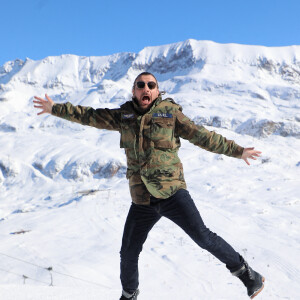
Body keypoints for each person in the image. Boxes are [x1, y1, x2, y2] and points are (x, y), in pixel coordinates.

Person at [34, 72, 265, 299]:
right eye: (141, 85)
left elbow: (202, 136)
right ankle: (129, 294)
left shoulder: (171, 114)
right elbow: (90, 116)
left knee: (203, 237)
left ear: (157, 91)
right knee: (128, 252)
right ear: (134, 91)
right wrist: (55, 108)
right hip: (142, 199)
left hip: (172, 193)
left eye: (151, 85)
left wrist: (237, 151)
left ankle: (247, 274)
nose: (146, 88)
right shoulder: (124, 116)